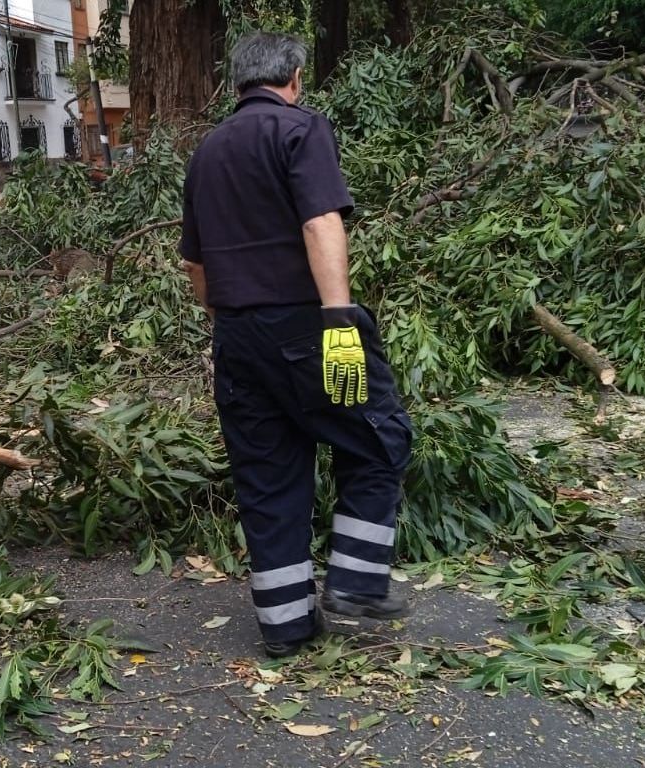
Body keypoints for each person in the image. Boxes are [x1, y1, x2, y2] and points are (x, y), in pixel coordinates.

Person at [179, 32, 414, 658]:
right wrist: (338, 317)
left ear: (239, 84)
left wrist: (226, 322)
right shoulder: (299, 130)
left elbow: (195, 262)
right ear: (295, 79)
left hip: (235, 338)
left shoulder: (207, 151)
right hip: (309, 331)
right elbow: (320, 221)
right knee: (377, 436)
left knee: (268, 475)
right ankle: (358, 584)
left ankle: (285, 627)